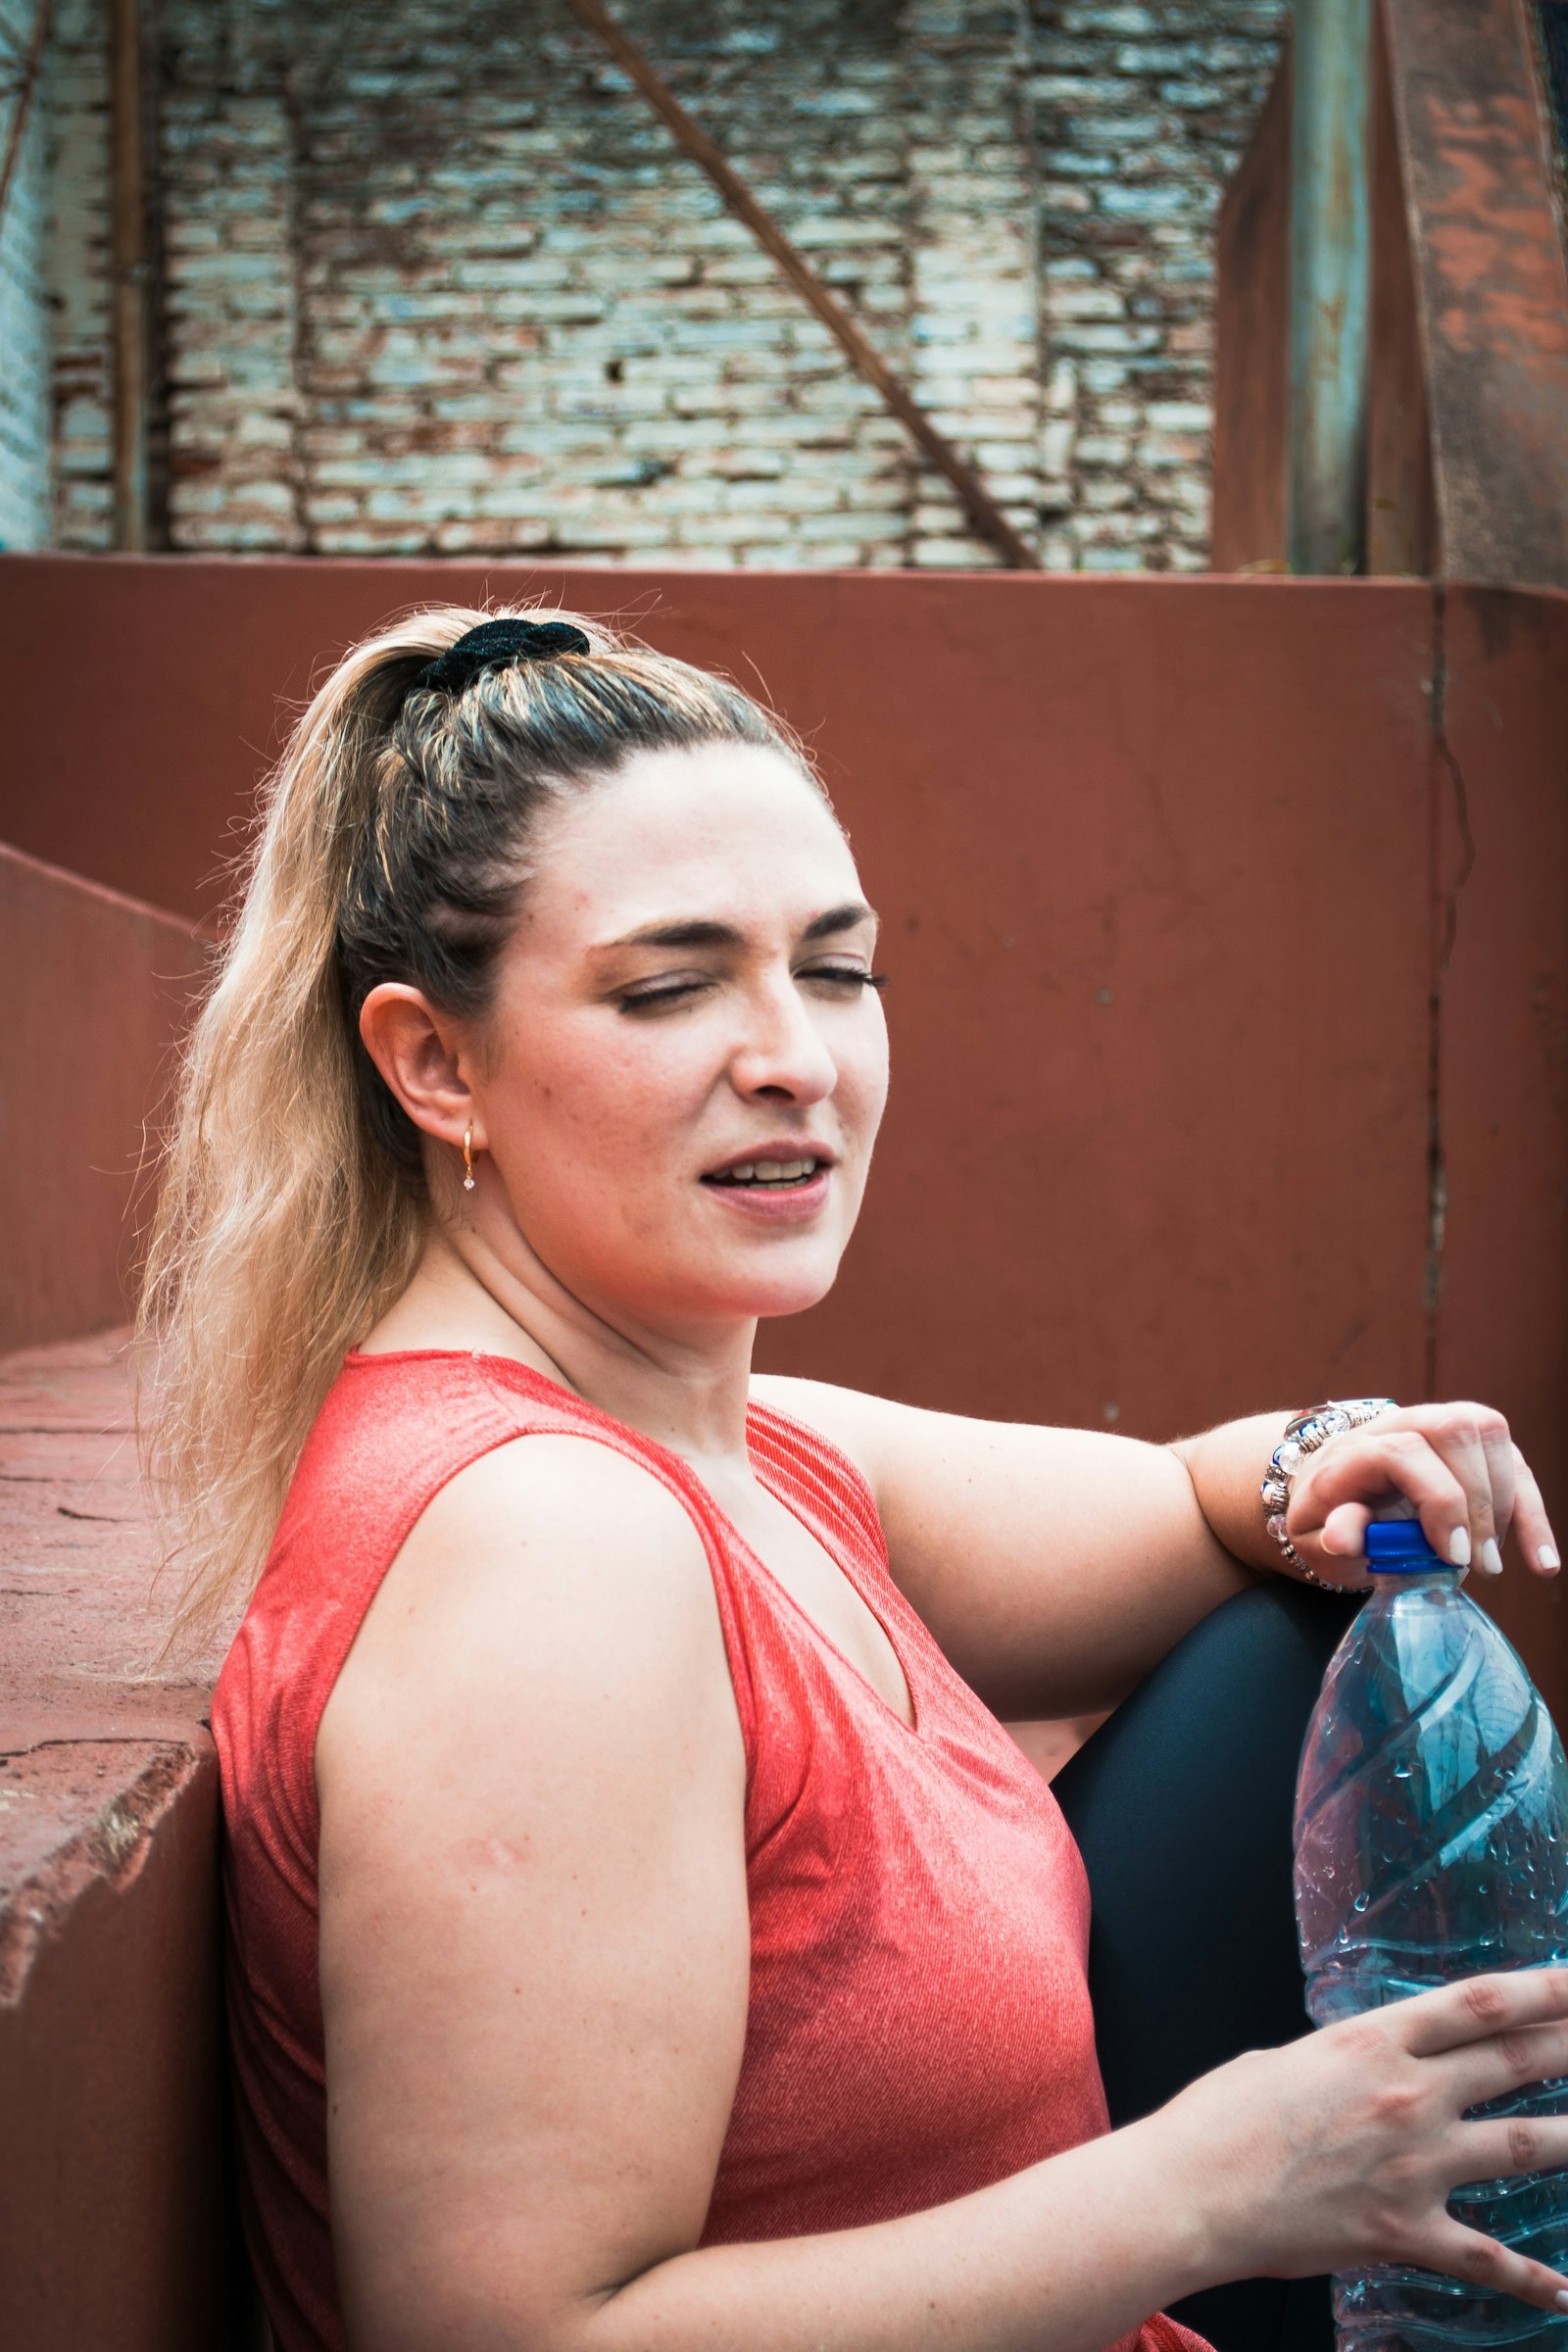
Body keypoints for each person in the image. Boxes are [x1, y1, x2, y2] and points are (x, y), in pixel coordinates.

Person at [141, 607, 1568, 2352]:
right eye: (671, 986)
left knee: (1290, 1620)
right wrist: (1211, 2183)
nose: (797, 1060)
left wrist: (1313, 1461)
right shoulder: (549, 1550)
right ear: (436, 1065)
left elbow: (1210, 1505)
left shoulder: (756, 1449)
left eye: (834, 969)